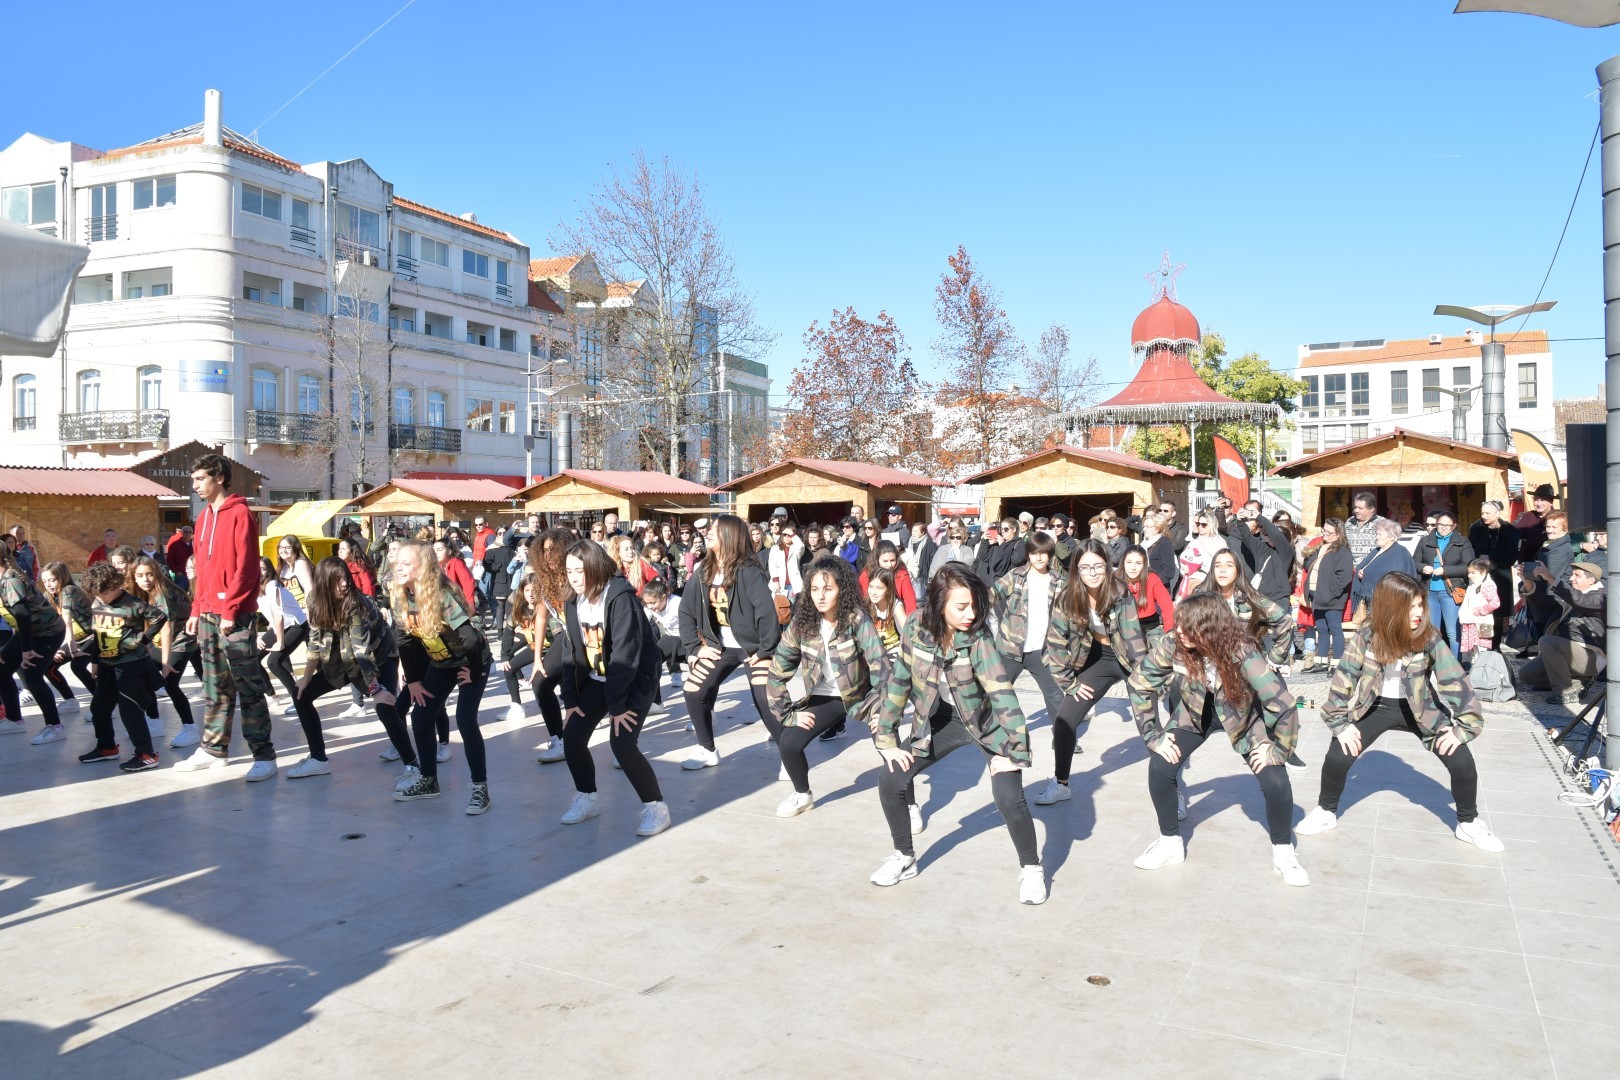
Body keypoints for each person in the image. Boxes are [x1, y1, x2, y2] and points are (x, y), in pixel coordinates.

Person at [868, 562, 1046, 905]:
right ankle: (904, 857)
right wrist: (887, 739)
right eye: (961, 607)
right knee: (891, 779)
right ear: (938, 602)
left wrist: (1015, 752)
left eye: (974, 605)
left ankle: (1032, 868)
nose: (971, 613)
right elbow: (899, 682)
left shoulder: (978, 637)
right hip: (941, 720)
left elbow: (1001, 693)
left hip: (987, 721)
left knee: (1008, 796)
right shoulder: (916, 628)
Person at [1297, 573, 1503, 852]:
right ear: (1391, 606)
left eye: (1420, 605)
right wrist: (1340, 723)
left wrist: (1462, 728)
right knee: (1337, 755)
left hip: (1421, 709)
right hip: (1375, 706)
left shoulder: (1429, 636)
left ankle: (1468, 823)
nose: (1418, 612)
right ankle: (1325, 812)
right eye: (1411, 606)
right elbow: (1344, 679)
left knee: (1462, 762)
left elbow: (1454, 681)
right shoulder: (1367, 636)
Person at [1126, 593, 1308, 884]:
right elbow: (1139, 682)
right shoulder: (1174, 642)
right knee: (1160, 766)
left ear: (1210, 627)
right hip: (1195, 714)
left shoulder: (1242, 649)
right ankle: (1169, 843)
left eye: (1188, 627)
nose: (1180, 632)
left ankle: (1283, 851)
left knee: (1275, 779)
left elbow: (1282, 702)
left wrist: (1279, 750)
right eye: (1179, 625)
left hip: (1243, 717)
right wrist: (1153, 735)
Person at [554, 539, 671, 836]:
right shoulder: (572, 601)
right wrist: (570, 699)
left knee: (621, 744)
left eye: (580, 571)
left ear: (595, 568)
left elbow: (625, 656)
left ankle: (657, 808)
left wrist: (618, 707)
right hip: (597, 678)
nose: (574, 578)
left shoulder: (620, 598)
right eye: (569, 571)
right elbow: (570, 652)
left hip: (633, 680)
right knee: (573, 736)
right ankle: (587, 797)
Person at [173, 455, 276, 778]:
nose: (195, 486)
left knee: (248, 686)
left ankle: (264, 755)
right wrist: (196, 608)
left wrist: (230, 609)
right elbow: (202, 571)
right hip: (207, 615)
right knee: (214, 686)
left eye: (200, 479)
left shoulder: (241, 514)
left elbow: (247, 569)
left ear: (218, 478)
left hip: (236, 616)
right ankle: (214, 750)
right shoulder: (203, 518)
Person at [766, 556, 891, 817]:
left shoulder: (857, 619)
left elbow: (880, 666)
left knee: (888, 740)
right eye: (814, 589)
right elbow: (777, 670)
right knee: (789, 742)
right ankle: (802, 795)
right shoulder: (803, 623)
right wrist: (788, 714)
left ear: (841, 590)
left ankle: (908, 802)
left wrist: (883, 710)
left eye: (828, 589)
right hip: (827, 696)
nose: (820, 596)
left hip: (862, 693)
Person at [1034, 538, 1147, 806]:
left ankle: (1173, 788)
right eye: (1085, 568)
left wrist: (1146, 678)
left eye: (1097, 566)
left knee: (1149, 726)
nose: (1092, 573)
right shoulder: (1067, 598)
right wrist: (1068, 682)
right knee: (1063, 723)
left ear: (1107, 566)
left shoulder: (1120, 593)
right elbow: (1055, 643)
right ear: (1076, 570)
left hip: (1127, 660)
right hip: (1097, 659)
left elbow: (1134, 641)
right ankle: (1061, 783)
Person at [288, 557, 419, 786]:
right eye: (337, 580)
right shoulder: (315, 601)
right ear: (325, 583)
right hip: (344, 659)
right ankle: (318, 759)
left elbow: (362, 652)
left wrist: (375, 688)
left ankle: (413, 766)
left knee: (384, 706)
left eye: (345, 578)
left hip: (380, 655)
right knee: (302, 695)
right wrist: (305, 678)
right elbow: (315, 643)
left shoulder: (356, 604)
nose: (344, 584)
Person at [388, 540, 492, 812]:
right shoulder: (400, 594)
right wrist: (413, 681)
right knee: (421, 717)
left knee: (465, 720)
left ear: (422, 568)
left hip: (471, 660)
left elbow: (470, 638)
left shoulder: (441, 595)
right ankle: (428, 780)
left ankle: (480, 789)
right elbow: (404, 640)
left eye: (406, 564)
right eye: (398, 563)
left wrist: (476, 670)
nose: (399, 568)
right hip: (441, 663)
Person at [678, 515, 779, 769]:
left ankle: (788, 753)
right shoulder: (703, 570)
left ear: (729, 536)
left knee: (763, 699)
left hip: (753, 648)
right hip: (720, 647)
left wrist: (766, 651)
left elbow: (767, 613)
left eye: (714, 529)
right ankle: (707, 750)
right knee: (693, 690)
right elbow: (685, 610)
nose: (708, 532)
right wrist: (694, 648)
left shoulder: (748, 571)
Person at [75, 561, 166, 771]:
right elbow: (99, 634)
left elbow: (160, 617)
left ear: (114, 586)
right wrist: (95, 661)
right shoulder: (98, 603)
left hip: (131, 665)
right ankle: (107, 748)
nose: (99, 597)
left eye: (102, 593)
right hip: (107, 664)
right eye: (96, 593)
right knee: (99, 708)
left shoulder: (132, 603)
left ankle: (147, 754)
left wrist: (143, 640)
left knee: (130, 710)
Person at [990, 530, 1066, 725]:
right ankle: (989, 735)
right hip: (1010, 647)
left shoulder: (1059, 582)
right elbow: (991, 595)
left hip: (1042, 650)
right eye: (1034, 553)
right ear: (1028, 554)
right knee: (997, 693)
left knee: (1056, 695)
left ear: (1050, 554)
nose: (1038, 557)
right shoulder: (1016, 576)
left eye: (1043, 553)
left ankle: (1063, 737)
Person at [128, 555, 201, 748]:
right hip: (161, 641)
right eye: (141, 575)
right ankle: (154, 722)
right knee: (145, 676)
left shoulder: (163, 593)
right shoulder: (142, 593)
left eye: (150, 574)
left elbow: (167, 628)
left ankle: (190, 728)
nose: (145, 579)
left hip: (181, 640)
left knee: (170, 684)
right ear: (134, 577)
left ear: (157, 574)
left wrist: (166, 663)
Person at [0, 543, 67, 742]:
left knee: (31, 675)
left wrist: (26, 649)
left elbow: (23, 613)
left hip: (48, 632)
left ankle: (55, 726)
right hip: (29, 631)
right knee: (2, 669)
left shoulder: (10, 580)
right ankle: (14, 720)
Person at [1518, 560, 1606, 705]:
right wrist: (1526, 580)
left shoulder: (1601, 597)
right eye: (1572, 575)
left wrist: (1550, 577)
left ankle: (1566, 691)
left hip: (1591, 655)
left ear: (1591, 580)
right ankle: (1578, 682)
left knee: (1547, 641)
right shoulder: (1572, 595)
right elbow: (1543, 604)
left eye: (1577, 576)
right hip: (1567, 652)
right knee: (1527, 674)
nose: (1571, 578)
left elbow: (1580, 601)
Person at [1197, 548, 1294, 669]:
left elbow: (1285, 621)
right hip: (1210, 667)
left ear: (1238, 570)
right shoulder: (1199, 598)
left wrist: (1275, 659)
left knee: (1275, 687)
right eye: (1217, 566)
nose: (1222, 570)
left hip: (1245, 667)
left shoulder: (1250, 598)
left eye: (1229, 565)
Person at [529, 528, 577, 764]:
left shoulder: (577, 574)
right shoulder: (542, 580)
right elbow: (541, 618)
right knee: (540, 683)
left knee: (582, 691)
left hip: (591, 638)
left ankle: (624, 744)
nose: (548, 555)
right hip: (567, 637)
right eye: (544, 550)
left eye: (553, 550)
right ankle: (558, 739)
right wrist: (538, 658)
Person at [1413, 511, 1474, 659]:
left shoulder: (1462, 542)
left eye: (1448, 525)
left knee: (1452, 631)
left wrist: (1446, 570)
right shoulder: (1425, 540)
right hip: (1429, 591)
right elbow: (1414, 562)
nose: (1444, 528)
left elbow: (1468, 567)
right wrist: (1423, 568)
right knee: (1432, 630)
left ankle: (1455, 664)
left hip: (1450, 591)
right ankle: (1434, 662)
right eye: (1441, 524)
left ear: (1454, 526)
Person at [39, 561, 96, 703]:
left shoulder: (69, 590)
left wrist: (73, 650)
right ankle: (70, 701)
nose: (48, 584)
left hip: (93, 636)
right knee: (49, 666)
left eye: (52, 580)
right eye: (45, 581)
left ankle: (102, 701)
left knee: (77, 666)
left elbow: (67, 621)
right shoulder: (49, 596)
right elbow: (45, 624)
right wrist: (51, 650)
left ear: (62, 578)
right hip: (76, 639)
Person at [1301, 518, 1354, 671]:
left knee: (1335, 629)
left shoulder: (1342, 552)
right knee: (1322, 629)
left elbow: (1344, 577)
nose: (1325, 534)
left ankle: (1337, 663)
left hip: (1331, 598)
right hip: (1316, 597)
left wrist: (1331, 594)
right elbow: (1308, 565)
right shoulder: (1321, 547)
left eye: (1329, 532)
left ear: (1338, 534)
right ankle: (1321, 662)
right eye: (1324, 531)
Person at [1467, 500, 1519, 647]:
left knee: (1498, 613)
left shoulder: (1510, 531)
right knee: (1483, 611)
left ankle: (1495, 646)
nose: (1484, 516)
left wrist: (1494, 561)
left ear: (1497, 514)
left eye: (1487, 513)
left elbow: (1512, 555)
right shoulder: (1476, 529)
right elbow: (1471, 551)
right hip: (1480, 575)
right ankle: (1484, 643)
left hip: (1501, 575)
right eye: (1482, 512)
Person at [1352, 518, 1418, 619]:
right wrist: (1361, 573)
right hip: (1373, 601)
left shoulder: (1399, 553)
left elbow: (1395, 578)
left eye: (1380, 534)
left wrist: (1367, 575)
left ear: (1391, 537)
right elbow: (1366, 567)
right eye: (1376, 534)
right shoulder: (1377, 550)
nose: (1376, 537)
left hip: (1388, 603)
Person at [1119, 543, 1174, 647]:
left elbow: (1167, 607)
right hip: (1125, 626)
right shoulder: (1116, 580)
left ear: (1144, 564)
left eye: (1138, 563)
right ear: (1123, 563)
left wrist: (1169, 632)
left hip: (1150, 625)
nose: (1133, 567)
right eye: (1129, 562)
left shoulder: (1152, 578)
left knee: (1161, 653)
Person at [1458, 557, 1501, 662]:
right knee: (1474, 648)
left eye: (1473, 573)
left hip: (1484, 622)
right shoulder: (1474, 584)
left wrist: (1481, 610)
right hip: (1472, 620)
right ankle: (1477, 668)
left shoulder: (1488, 585)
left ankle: (1482, 669)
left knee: (1483, 648)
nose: (1469, 575)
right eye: (1469, 573)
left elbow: (1495, 602)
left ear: (1483, 572)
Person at [1175, 510, 1226, 598]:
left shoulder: (1219, 543)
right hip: (1190, 578)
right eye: (1199, 524)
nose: (1200, 527)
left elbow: (1221, 563)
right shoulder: (1194, 542)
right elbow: (1184, 559)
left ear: (1211, 525)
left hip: (1211, 581)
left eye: (1204, 524)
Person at [864, 567, 907, 656]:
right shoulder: (866, 605)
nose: (873, 592)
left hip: (895, 650)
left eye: (879, 588)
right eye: (871, 587)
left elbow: (907, 630)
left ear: (889, 590)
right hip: (874, 650)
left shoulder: (895, 605)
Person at [1516, 483, 1557, 565]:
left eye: (1542, 500)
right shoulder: (1528, 515)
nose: (1538, 503)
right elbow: (1515, 532)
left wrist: (1529, 534)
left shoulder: (1557, 517)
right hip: (1527, 562)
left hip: (1549, 562)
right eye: (1536, 499)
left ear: (1551, 502)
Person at [1342, 492, 1388, 565]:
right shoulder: (1349, 522)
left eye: (1360, 508)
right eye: (1355, 507)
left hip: (1373, 568)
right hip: (1352, 570)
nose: (1356, 510)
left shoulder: (1382, 523)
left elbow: (1387, 547)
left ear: (1372, 509)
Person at [1139, 510, 1179, 594]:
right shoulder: (1143, 545)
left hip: (1159, 588)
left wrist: (1153, 584)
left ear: (1158, 528)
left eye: (1148, 526)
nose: (1144, 529)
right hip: (1143, 587)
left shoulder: (1164, 543)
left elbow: (1169, 571)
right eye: (1144, 526)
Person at [767, 523, 805, 601]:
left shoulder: (796, 549)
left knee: (793, 609)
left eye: (789, 535)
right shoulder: (775, 548)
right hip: (779, 584)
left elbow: (801, 546)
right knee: (781, 609)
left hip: (793, 584)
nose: (787, 537)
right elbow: (772, 566)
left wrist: (791, 533)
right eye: (785, 535)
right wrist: (776, 582)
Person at [902, 521, 937, 587]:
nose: (913, 533)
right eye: (912, 531)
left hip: (923, 577)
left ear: (923, 532)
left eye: (916, 531)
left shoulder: (930, 544)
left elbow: (933, 561)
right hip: (910, 575)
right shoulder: (908, 542)